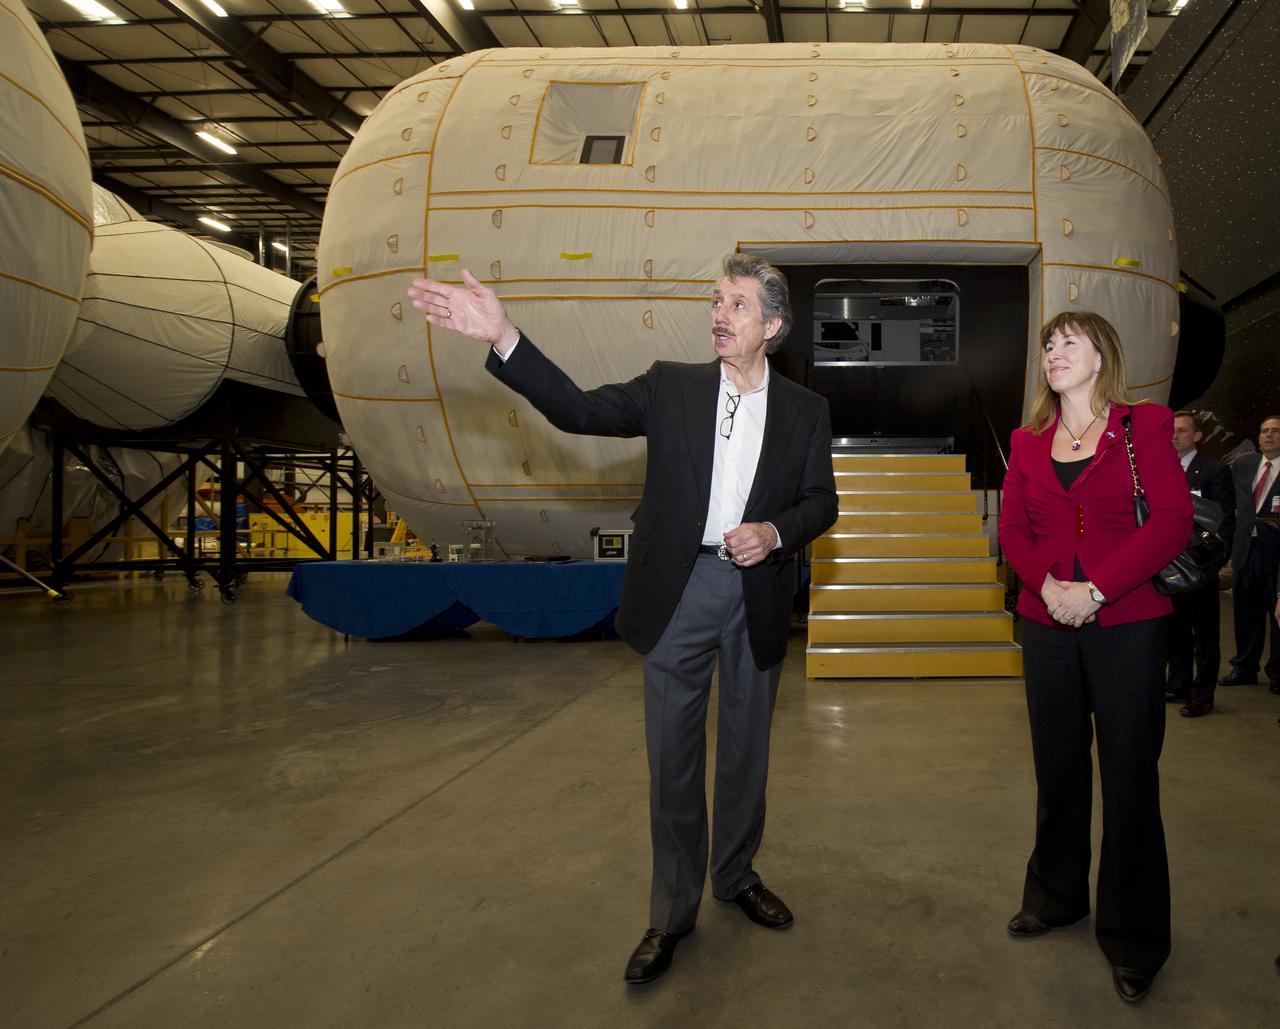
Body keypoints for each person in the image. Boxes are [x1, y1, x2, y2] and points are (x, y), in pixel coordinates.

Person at [407, 254, 837, 985]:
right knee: (673, 761)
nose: (718, 313)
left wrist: (775, 532)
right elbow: (580, 410)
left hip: (759, 591)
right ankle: (672, 913)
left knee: (744, 755)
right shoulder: (671, 385)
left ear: (772, 324)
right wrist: (505, 334)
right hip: (680, 588)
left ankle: (735, 876)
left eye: (735, 304)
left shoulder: (805, 408)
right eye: (715, 300)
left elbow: (820, 501)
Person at [998, 311, 1192, 1004]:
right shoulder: (1027, 442)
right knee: (1057, 768)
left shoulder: (1145, 426)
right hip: (1046, 622)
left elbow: (1171, 521)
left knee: (1130, 777)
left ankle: (1135, 935)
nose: (1053, 351)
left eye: (1068, 341)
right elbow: (1014, 528)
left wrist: (1099, 589)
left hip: (1128, 623)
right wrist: (1046, 586)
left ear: (1102, 353)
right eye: (1048, 344)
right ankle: (1055, 896)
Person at [1164, 411, 1235, 716]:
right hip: (1167, 563)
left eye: (1182, 431)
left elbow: (1224, 519)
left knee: (1204, 633)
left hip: (1199, 564)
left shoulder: (1213, 470)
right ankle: (1178, 683)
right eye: (1172, 431)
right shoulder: (1161, 469)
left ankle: (1203, 694)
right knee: (1176, 629)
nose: (1175, 435)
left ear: (1197, 436)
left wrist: (1213, 561)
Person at [1220, 416, 1280, 691]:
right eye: (1264, 430)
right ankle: (1244, 667)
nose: (1269, 436)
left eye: (1276, 431)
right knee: (1246, 611)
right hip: (1246, 548)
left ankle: (1278, 672)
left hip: (1276, 552)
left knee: (1277, 613)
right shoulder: (1244, 466)